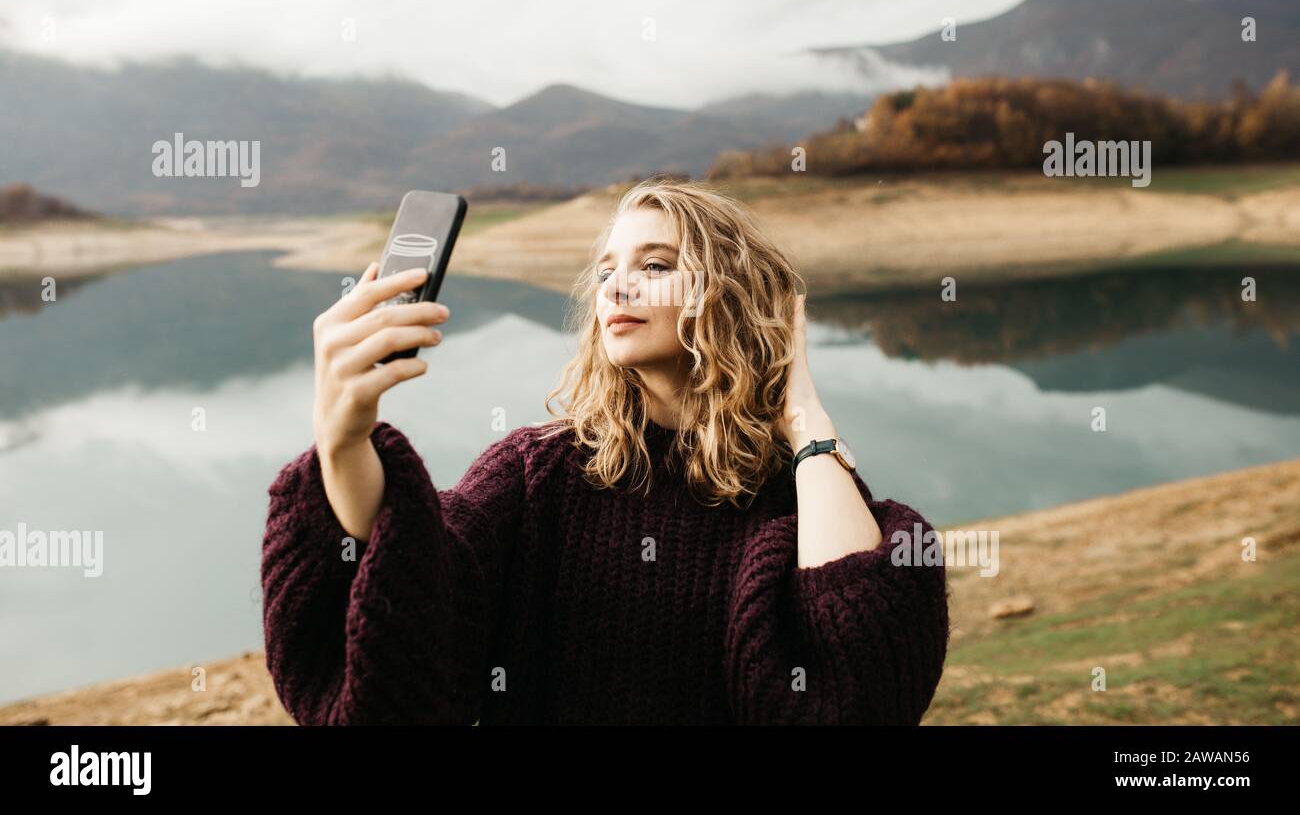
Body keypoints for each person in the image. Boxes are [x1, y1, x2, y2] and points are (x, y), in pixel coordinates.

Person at [261, 176, 950, 724]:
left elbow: (865, 685)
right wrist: (344, 442)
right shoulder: (538, 474)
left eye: (654, 265)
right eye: (605, 271)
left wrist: (803, 418)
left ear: (728, 295)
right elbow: (421, 587)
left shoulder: (800, 491)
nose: (616, 287)